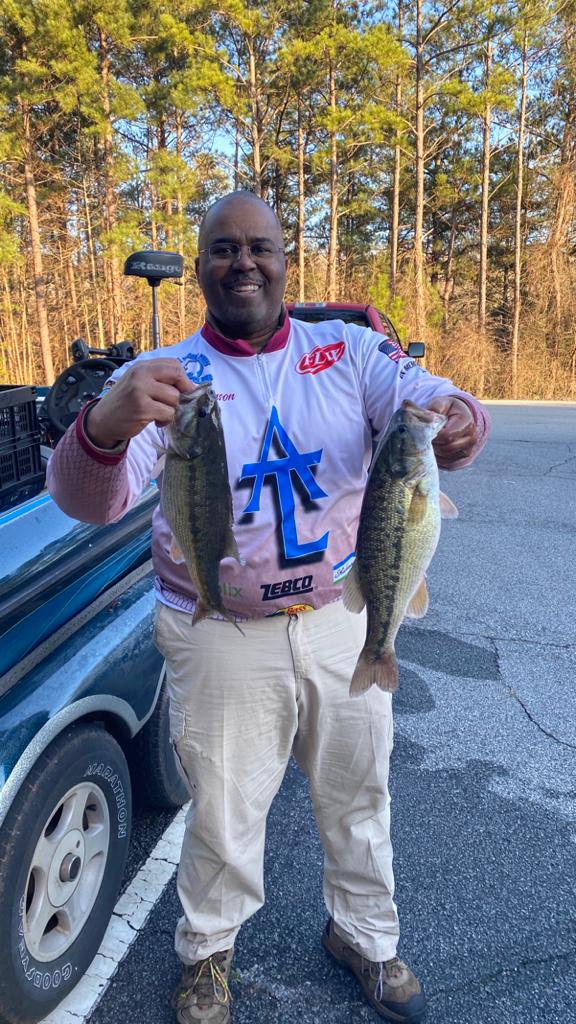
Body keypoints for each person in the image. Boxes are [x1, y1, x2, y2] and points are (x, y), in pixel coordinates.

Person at [47, 190, 490, 1024]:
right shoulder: (169, 379)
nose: (241, 262)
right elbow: (88, 502)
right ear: (201, 266)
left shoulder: (351, 352)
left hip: (341, 618)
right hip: (218, 629)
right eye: (221, 248)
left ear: (287, 260)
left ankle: (364, 934)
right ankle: (207, 954)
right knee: (220, 809)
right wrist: (103, 425)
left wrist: (465, 419)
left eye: (259, 247)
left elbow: (433, 401)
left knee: (359, 794)